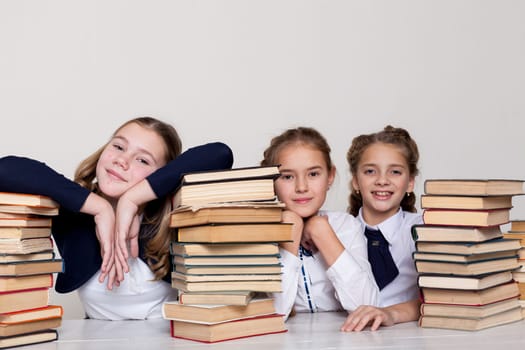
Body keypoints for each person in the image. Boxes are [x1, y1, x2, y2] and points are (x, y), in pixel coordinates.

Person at [0, 117, 233, 320]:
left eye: (143, 160)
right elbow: (6, 169)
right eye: (119, 146)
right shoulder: (75, 212)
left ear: (163, 175)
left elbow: (221, 154)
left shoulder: (170, 214)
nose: (122, 160)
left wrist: (131, 200)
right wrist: (99, 208)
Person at [260, 127, 379, 320]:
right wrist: (290, 233)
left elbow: (367, 306)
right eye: (287, 176)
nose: (301, 187)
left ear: (330, 176)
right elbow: (275, 314)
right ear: (271, 182)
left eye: (313, 174)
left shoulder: (346, 226)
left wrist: (322, 233)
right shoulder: (259, 232)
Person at [340, 125, 422, 332]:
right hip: (346, 335)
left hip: (410, 336)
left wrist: (390, 313)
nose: (382, 181)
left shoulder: (424, 230)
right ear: (356, 181)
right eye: (370, 171)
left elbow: (442, 297)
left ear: (410, 183)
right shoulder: (336, 231)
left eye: (395, 172)